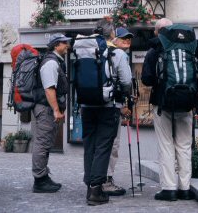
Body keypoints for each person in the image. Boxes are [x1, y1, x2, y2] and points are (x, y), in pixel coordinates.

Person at [78, 21, 132, 206]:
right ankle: (96, 190)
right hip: (108, 106)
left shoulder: (83, 51)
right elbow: (126, 81)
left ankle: (89, 187)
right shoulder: (117, 53)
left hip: (86, 105)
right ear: (112, 35)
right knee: (103, 146)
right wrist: (124, 95)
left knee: (89, 146)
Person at [141, 18, 195, 202]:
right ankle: (185, 188)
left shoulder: (155, 49)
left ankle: (169, 188)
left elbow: (147, 79)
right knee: (184, 146)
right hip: (187, 102)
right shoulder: (190, 46)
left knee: (166, 146)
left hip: (163, 103)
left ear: (157, 32)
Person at [32, 33, 71, 193]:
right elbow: (49, 89)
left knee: (46, 143)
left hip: (48, 108)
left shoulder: (55, 61)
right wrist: (56, 110)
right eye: (64, 43)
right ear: (56, 45)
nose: (67, 45)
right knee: (42, 143)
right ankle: (39, 180)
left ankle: (43, 176)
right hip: (46, 109)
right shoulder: (50, 63)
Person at [103, 26, 134, 196]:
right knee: (113, 144)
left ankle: (97, 179)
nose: (127, 41)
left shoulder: (101, 53)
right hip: (112, 106)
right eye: (123, 38)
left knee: (100, 143)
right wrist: (123, 104)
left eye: (129, 39)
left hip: (98, 104)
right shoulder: (119, 56)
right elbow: (126, 83)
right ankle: (106, 179)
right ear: (114, 39)